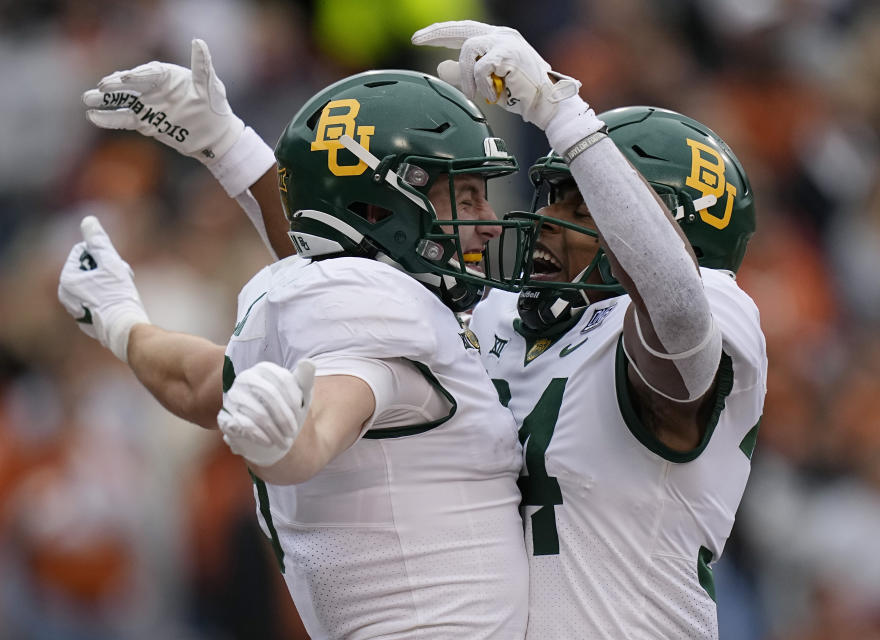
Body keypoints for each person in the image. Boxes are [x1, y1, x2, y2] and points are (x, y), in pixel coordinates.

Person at [62, 43, 529, 639]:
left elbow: (196, 381)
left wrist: (120, 321)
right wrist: (284, 448)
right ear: (381, 203)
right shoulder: (374, 328)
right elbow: (325, 418)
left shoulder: (329, 303)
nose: (488, 220)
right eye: (464, 196)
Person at [410, 21, 767, 639]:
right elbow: (358, 301)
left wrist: (564, 114)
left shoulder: (704, 307)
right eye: (551, 196)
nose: (546, 218)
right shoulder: (506, 319)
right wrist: (236, 152)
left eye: (584, 205)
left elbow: (676, 309)